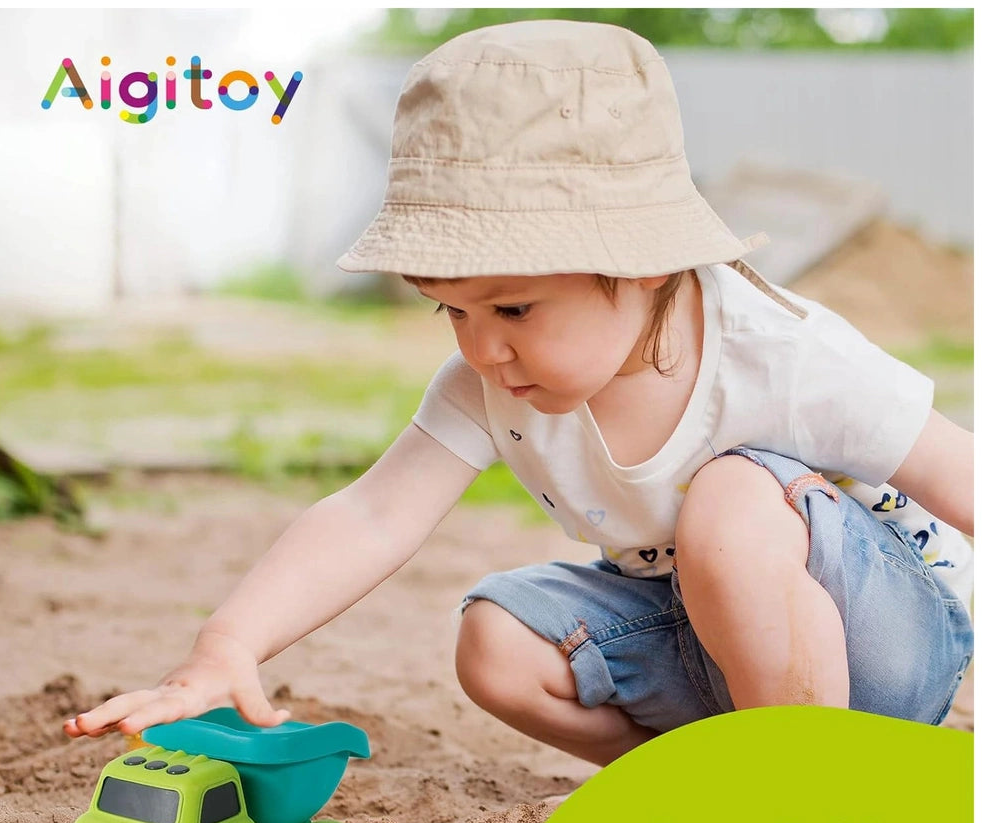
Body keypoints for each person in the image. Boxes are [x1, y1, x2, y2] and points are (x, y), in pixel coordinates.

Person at [66, 20, 973, 766]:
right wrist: (228, 644)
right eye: (449, 311)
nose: (484, 347)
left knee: (732, 500)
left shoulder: (777, 351)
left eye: (512, 306)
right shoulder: (490, 384)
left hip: (885, 652)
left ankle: (810, 785)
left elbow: (950, 465)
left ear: (645, 262)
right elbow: (373, 517)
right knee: (494, 639)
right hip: (706, 654)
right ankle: (678, 776)